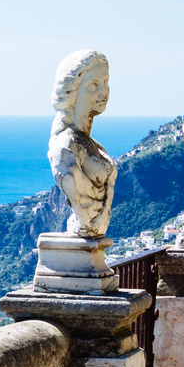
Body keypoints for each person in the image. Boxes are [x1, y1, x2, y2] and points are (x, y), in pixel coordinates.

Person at [48, 50, 115, 239]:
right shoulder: (66, 148)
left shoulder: (92, 145)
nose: (104, 92)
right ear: (72, 91)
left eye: (106, 83)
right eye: (94, 85)